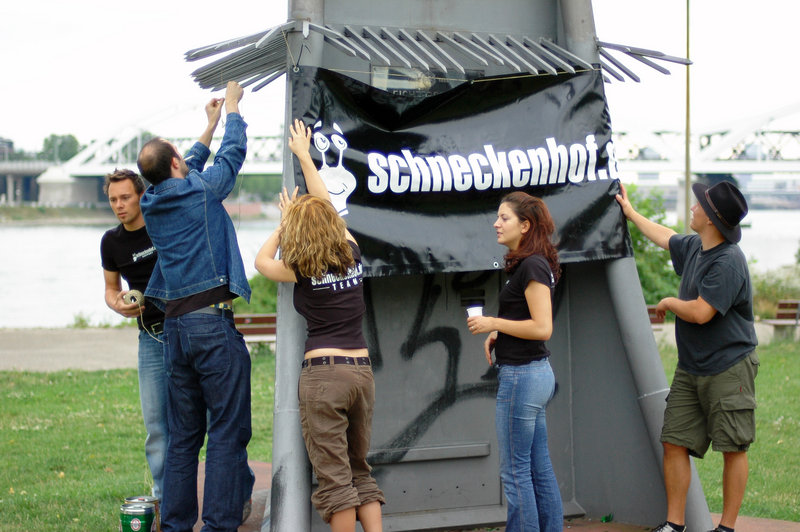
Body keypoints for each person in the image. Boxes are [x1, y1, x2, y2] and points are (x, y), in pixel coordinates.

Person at [255, 118, 384, 532]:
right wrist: (304, 155)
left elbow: (261, 263)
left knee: (335, 479)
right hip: (361, 370)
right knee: (360, 470)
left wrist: (283, 224)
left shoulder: (302, 268)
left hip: (324, 373)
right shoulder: (351, 251)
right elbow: (326, 202)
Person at [136, 81, 253, 532]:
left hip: (176, 331)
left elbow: (185, 163)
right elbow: (231, 156)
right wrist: (234, 110)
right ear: (175, 164)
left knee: (184, 437)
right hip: (210, 327)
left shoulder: (151, 201)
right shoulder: (201, 192)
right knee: (226, 431)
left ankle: (175, 525)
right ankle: (219, 525)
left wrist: (209, 124)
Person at [615, 180, 758, 532]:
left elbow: (701, 312)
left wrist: (668, 302)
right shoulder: (696, 246)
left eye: (698, 205)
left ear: (711, 218)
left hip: (729, 368)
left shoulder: (728, 261)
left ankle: (725, 528)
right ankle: (674, 525)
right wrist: (631, 214)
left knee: (733, 447)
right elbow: (667, 237)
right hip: (691, 367)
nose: (692, 208)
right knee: (674, 440)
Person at [466, 191, 563, 532]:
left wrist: (493, 322)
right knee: (537, 467)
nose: (496, 223)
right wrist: (500, 332)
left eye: (504, 218)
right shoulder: (529, 264)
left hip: (523, 378)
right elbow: (527, 320)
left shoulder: (533, 265)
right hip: (534, 376)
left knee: (516, 472)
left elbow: (542, 327)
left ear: (525, 225)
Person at [100, 168, 168, 501]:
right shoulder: (111, 242)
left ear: (141, 195)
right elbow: (111, 289)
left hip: (185, 329)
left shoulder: (163, 226)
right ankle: (163, 501)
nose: (119, 205)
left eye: (125, 197)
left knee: (209, 419)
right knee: (156, 426)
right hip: (150, 338)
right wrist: (117, 304)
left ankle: (231, 492)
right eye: (113, 199)